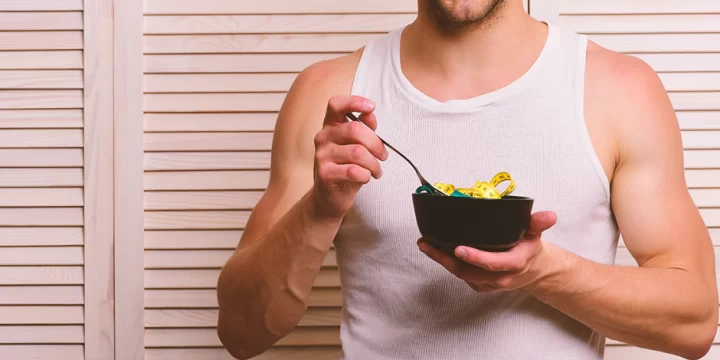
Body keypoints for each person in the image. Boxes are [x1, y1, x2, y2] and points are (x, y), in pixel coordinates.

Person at [216, 0, 718, 359]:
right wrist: (318, 210)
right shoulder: (327, 93)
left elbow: (695, 323)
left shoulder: (619, 90)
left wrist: (543, 272)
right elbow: (242, 332)